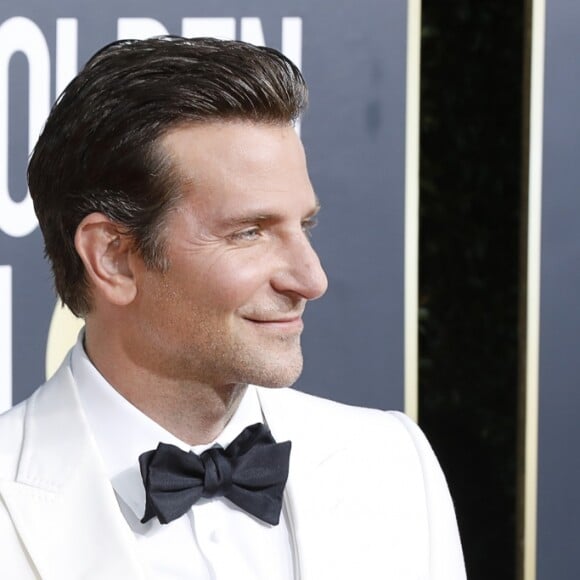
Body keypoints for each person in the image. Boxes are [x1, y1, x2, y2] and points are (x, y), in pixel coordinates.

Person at [0, 36, 465, 579]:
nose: (311, 279)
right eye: (250, 232)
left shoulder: (393, 466)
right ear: (115, 257)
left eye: (305, 225)